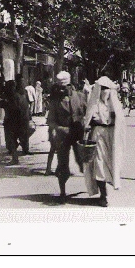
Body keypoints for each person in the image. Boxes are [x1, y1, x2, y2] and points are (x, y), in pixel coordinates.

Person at [83, 76, 127, 207]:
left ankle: (108, 188)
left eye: (107, 89)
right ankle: (103, 195)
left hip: (111, 135)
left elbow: (119, 121)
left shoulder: (114, 104)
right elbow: (89, 119)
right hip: (97, 134)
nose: (105, 92)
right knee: (99, 163)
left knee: (112, 162)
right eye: (102, 89)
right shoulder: (94, 103)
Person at [47, 71, 86, 204]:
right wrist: (56, 130)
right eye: (60, 87)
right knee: (62, 164)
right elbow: (50, 120)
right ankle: (62, 192)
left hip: (78, 133)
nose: (63, 90)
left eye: (65, 87)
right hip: (62, 135)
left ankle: (94, 188)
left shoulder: (80, 96)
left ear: (70, 85)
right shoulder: (55, 101)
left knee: (83, 162)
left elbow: (88, 113)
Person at [0, 78, 32, 164]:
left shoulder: (12, 96)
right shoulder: (15, 95)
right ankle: (17, 154)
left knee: (13, 139)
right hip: (17, 120)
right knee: (15, 138)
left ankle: (16, 156)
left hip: (13, 120)